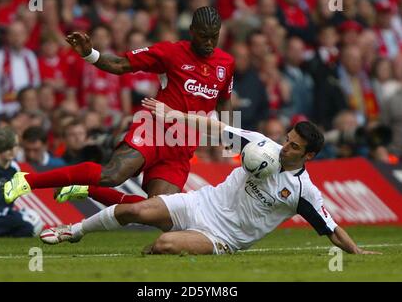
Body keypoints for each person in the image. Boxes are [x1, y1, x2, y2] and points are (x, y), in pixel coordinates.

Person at [39, 99, 380, 255]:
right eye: (287, 139)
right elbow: (216, 127)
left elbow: (331, 229)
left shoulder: (303, 192)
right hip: (200, 203)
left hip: (222, 237)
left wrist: (357, 252)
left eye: (293, 147)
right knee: (135, 211)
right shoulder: (260, 145)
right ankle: (75, 231)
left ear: (308, 156)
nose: (284, 147)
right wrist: (175, 115)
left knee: (163, 244)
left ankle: (152, 256)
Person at [3, 6, 234, 205]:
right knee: (113, 175)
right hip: (155, 130)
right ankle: (26, 180)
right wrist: (90, 54)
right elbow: (122, 64)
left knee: (157, 210)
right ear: (192, 31)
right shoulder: (170, 52)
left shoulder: (226, 63)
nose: (209, 42)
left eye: (214, 36)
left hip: (182, 146)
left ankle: (85, 190)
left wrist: (229, 141)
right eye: (204, 36)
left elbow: (224, 102)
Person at [0, 128, 43, 237]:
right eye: (7, 146)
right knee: (20, 220)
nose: (11, 150)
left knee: (33, 221)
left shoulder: (15, 168)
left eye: (14, 146)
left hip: (3, 214)